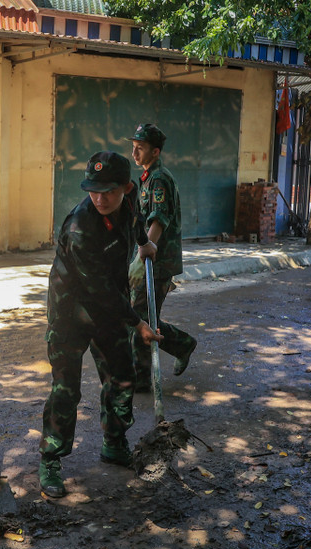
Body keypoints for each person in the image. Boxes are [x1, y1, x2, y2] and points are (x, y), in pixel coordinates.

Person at [39, 151, 162, 498]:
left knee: (122, 377)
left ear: (126, 187)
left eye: (109, 190)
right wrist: (137, 322)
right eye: (94, 190)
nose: (100, 198)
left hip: (109, 310)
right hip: (71, 313)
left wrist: (144, 242)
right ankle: (50, 458)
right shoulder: (79, 226)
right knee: (66, 389)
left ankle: (114, 441)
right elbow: (99, 289)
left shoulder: (129, 203)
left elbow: (135, 222)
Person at [128, 124, 197, 389]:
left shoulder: (158, 179)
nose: (134, 152)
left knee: (140, 317)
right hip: (150, 260)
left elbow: (159, 220)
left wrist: (144, 253)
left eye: (140, 148)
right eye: (133, 146)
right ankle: (181, 345)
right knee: (143, 316)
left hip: (157, 262)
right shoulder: (147, 177)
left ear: (155, 152)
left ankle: (143, 377)